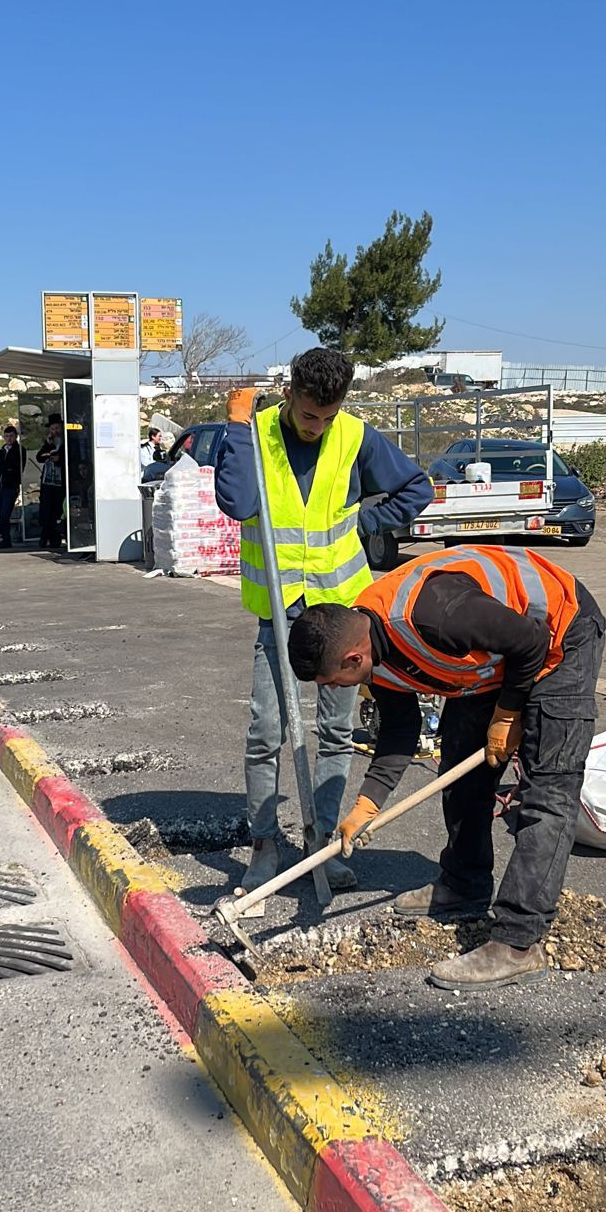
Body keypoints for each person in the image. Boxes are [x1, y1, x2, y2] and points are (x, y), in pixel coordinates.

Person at [286, 546, 606, 991]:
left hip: (560, 635)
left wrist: (511, 712)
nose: (329, 689)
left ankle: (518, 942)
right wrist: (366, 806)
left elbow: (529, 641)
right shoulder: (373, 649)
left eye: (328, 680)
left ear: (353, 659)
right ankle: (464, 885)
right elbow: (400, 728)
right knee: (461, 769)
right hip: (498, 658)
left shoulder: (436, 616)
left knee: (548, 791)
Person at [215, 348, 434, 895]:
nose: (317, 427)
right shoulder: (255, 432)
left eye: (328, 416)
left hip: (342, 612)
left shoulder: (355, 436)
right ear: (289, 394)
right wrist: (237, 427)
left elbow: (418, 488)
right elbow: (239, 503)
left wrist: (369, 520)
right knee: (267, 730)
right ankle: (264, 845)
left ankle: (326, 842)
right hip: (281, 611)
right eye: (310, 414)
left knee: (336, 733)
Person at [0, 423, 27, 548]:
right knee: (3, 515)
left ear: (16, 436)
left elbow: (16, 468)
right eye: (6, 436)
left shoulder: (20, 451)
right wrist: (4, 468)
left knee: (5, 514)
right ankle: (6, 540)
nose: (9, 439)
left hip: (10, 486)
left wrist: (4, 468)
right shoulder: (2, 451)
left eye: (11, 436)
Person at [35, 416, 66, 550]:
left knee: (57, 511)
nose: (55, 431)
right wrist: (48, 444)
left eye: (56, 428)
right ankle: (46, 538)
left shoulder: (66, 443)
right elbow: (39, 457)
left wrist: (58, 459)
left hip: (60, 483)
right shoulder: (49, 443)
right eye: (52, 429)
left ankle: (55, 538)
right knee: (46, 511)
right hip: (48, 483)